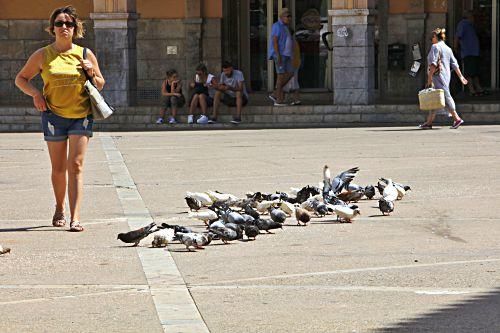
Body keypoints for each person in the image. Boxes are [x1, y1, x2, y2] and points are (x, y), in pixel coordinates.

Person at [15, 6, 105, 232]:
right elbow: (21, 78)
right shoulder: (43, 55)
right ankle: (59, 208)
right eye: (59, 23)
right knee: (58, 168)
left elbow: (101, 84)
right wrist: (36, 94)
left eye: (69, 24)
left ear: (76, 28)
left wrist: (91, 72)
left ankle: (75, 217)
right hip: (53, 116)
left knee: (75, 165)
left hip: (81, 116)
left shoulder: (85, 54)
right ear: (52, 28)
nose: (64, 27)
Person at [419, 28, 468, 130]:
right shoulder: (448, 48)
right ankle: (429, 122)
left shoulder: (435, 47)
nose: (431, 40)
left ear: (435, 37)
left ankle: (457, 118)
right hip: (446, 76)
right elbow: (455, 65)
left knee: (444, 96)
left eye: (431, 37)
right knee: (435, 97)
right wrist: (461, 77)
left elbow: (433, 64)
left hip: (437, 76)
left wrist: (429, 79)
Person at [455, 10, 488, 96]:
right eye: (473, 16)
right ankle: (472, 90)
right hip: (468, 53)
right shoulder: (463, 24)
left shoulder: (471, 25)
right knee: (469, 72)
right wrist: (455, 48)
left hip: (474, 52)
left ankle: (478, 88)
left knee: (475, 72)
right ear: (468, 17)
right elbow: (457, 37)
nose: (474, 18)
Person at [268, 8, 294, 106]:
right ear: (281, 17)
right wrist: (277, 54)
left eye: (290, 16)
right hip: (280, 55)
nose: (289, 18)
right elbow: (274, 40)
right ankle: (278, 100)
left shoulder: (285, 27)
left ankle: (275, 93)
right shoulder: (277, 26)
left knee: (291, 73)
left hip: (287, 55)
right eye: (288, 16)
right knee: (280, 76)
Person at [282, 28, 301, 106]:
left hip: (291, 64)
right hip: (294, 63)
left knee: (286, 82)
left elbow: (287, 54)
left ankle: (280, 99)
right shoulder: (293, 40)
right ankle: (295, 99)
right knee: (292, 82)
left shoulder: (289, 40)